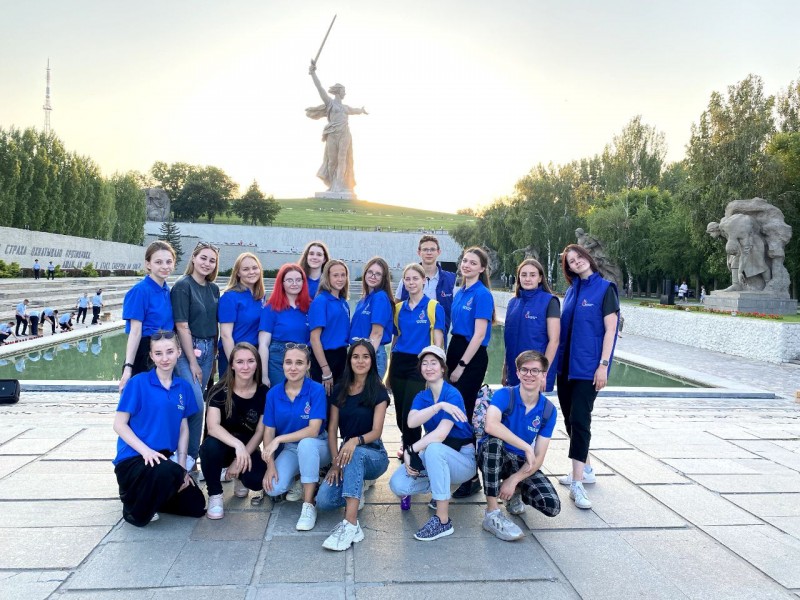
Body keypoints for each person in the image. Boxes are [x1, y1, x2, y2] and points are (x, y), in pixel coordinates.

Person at [112, 331, 206, 526]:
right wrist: (146, 451)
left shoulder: (183, 387)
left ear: (179, 352)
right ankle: (132, 509)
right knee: (168, 474)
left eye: (170, 352)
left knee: (196, 504)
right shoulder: (138, 383)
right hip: (134, 459)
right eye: (159, 353)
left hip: (164, 460)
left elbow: (183, 429)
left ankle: (155, 498)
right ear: (151, 356)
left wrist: (182, 467)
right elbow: (119, 425)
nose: (165, 358)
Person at [389, 345, 476, 541]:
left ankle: (442, 521)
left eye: (434, 363)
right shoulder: (422, 396)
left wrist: (410, 450)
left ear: (443, 368)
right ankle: (442, 488)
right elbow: (411, 422)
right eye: (425, 363)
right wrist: (438, 406)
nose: (428, 367)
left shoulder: (452, 394)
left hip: (462, 459)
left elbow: (440, 434)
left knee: (434, 448)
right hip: (437, 458)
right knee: (398, 484)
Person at [556, 244, 619, 510]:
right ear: (568, 268)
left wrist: (603, 365)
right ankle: (586, 468)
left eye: (579, 257)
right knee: (570, 420)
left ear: (587, 258)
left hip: (588, 368)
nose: (576, 262)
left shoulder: (605, 289)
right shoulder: (571, 291)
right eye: (571, 261)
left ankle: (578, 483)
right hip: (565, 368)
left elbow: (610, 330)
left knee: (580, 421)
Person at [479, 350, 561, 541]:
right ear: (517, 373)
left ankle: (514, 491)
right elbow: (491, 425)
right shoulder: (505, 395)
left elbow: (538, 457)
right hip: (494, 456)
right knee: (493, 443)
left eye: (535, 370)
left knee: (551, 505)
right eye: (524, 369)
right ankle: (492, 513)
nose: (529, 374)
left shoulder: (548, 410)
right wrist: (526, 446)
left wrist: (514, 480)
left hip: (519, 461)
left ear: (544, 375)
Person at [316, 341, 390, 551]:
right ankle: (356, 487)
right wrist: (335, 463)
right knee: (324, 501)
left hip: (374, 453)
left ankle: (350, 524)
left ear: (372, 361)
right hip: (346, 456)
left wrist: (355, 441)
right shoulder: (340, 389)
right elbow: (332, 430)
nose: (360, 361)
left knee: (355, 453)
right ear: (349, 360)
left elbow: (376, 431)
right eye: (356, 356)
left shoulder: (378, 391)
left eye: (365, 357)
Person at [261, 344, 332, 531]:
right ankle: (303, 478)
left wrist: (278, 440)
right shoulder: (273, 393)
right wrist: (270, 465)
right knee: (272, 488)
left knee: (306, 445)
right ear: (282, 365)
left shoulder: (316, 390)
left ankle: (308, 505)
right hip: (291, 448)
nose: (293, 368)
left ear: (308, 365)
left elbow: (313, 430)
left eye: (299, 363)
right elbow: (268, 432)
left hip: (318, 445)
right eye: (288, 362)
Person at [200, 342, 269, 519]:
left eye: (250, 361)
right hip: (221, 445)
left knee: (256, 480)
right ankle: (215, 494)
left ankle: (239, 476)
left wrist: (240, 458)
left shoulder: (264, 392)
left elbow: (260, 432)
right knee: (209, 447)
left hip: (247, 447)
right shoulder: (219, 390)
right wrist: (238, 446)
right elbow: (213, 427)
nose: (245, 367)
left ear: (257, 364)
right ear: (232, 365)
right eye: (240, 362)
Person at [447, 246, 495, 498]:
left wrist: (461, 366)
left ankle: (472, 477)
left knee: (463, 415)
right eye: (465, 261)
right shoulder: (460, 292)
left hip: (471, 357)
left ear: (482, 268)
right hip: (455, 348)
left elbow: (478, 335)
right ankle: (458, 467)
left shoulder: (482, 294)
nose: (466, 265)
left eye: (473, 263)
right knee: (452, 411)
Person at [171, 241, 221, 469]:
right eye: (203, 258)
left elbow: (213, 323)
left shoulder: (213, 289)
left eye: (212, 260)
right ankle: (186, 456)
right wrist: (192, 361)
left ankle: (189, 459)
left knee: (193, 404)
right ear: (193, 258)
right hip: (187, 349)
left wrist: (214, 355)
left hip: (208, 349)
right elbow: (181, 325)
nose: (207, 263)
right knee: (196, 405)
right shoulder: (183, 286)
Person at [389, 263, 445, 462]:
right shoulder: (398, 309)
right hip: (399, 363)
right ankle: (408, 445)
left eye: (415, 278)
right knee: (399, 413)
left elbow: (438, 343)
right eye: (407, 279)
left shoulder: (433, 307)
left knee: (411, 412)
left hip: (420, 364)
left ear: (423, 281)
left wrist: (434, 371)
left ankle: (412, 454)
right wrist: (389, 368)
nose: (411, 282)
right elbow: (396, 339)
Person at [120, 241, 177, 391]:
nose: (165, 266)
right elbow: (135, 332)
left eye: (168, 262)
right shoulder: (140, 291)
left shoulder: (167, 291)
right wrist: (128, 367)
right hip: (145, 353)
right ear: (148, 264)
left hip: (164, 352)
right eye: (158, 262)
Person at [306, 62, 367, 195]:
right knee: (332, 161)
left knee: (342, 158)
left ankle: (339, 185)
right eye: (344, 91)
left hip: (344, 133)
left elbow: (355, 110)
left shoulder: (345, 108)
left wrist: (362, 110)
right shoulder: (330, 103)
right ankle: (332, 184)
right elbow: (320, 88)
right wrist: (313, 73)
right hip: (332, 134)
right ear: (338, 91)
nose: (345, 93)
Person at [503, 259, 560, 392]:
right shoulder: (512, 303)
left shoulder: (550, 301)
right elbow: (508, 340)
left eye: (532, 275)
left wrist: (543, 373)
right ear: (518, 278)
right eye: (523, 275)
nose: (527, 279)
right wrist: (505, 369)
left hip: (535, 372)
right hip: (514, 370)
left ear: (540, 278)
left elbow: (554, 340)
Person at [258, 263, 311, 388]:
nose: (294, 283)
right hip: (278, 359)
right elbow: (263, 344)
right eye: (289, 280)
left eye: (298, 280)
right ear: (282, 283)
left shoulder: (310, 307)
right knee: (282, 394)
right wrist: (264, 375)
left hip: (302, 358)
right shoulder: (271, 308)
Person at [395, 235, 456, 341]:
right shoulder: (406, 280)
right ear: (419, 252)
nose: (429, 253)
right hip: (409, 340)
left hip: (437, 340)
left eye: (432, 249)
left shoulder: (451, 280)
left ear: (438, 252)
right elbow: (397, 308)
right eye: (425, 249)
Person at [218, 252, 265, 377]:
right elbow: (225, 335)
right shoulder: (230, 297)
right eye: (246, 269)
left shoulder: (260, 296)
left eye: (255, 268)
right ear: (238, 273)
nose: (251, 272)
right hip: (234, 354)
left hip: (254, 354)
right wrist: (234, 363)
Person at [309, 259, 351, 394]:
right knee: (324, 400)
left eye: (343, 275)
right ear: (327, 277)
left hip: (342, 357)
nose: (340, 279)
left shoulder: (343, 302)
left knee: (338, 401)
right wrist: (325, 369)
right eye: (335, 275)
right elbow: (314, 338)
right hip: (325, 358)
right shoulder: (321, 301)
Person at [350, 257, 394, 379]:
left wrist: (365, 358)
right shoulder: (364, 299)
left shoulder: (380, 297)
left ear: (383, 278)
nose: (373, 276)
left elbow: (377, 333)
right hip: (359, 353)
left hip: (373, 354)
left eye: (378, 274)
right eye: (370, 272)